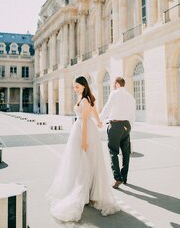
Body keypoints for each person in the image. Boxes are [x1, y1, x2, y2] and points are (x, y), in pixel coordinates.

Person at [46, 76, 120, 222]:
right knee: (84, 162)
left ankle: (85, 194)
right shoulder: (85, 98)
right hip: (81, 129)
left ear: (84, 86)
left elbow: (86, 120)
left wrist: (84, 140)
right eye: (74, 87)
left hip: (83, 130)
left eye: (77, 87)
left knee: (85, 163)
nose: (75, 89)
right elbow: (94, 111)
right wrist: (99, 122)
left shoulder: (85, 100)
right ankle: (88, 193)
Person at [100, 77, 136, 189]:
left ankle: (117, 178)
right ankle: (124, 177)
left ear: (116, 84)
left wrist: (99, 120)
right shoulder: (131, 97)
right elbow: (133, 115)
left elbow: (107, 108)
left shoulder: (115, 94)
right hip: (126, 126)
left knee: (113, 151)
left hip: (115, 125)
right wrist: (129, 128)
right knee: (126, 153)